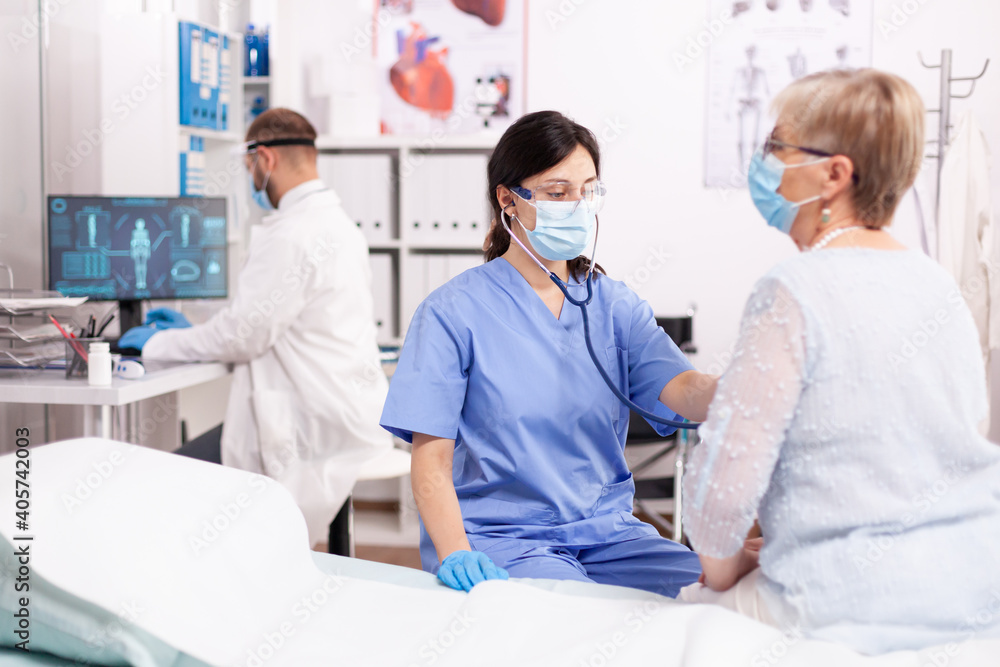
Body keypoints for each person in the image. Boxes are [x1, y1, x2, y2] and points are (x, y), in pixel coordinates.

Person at [678, 69, 1000, 654]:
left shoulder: (791, 291)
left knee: (683, 615)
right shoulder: (939, 286)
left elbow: (722, 494)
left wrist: (722, 579)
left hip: (839, 603)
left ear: (834, 174)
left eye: (777, 146)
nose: (763, 161)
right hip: (974, 588)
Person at [380, 111, 717, 595]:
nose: (577, 206)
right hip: (503, 538)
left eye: (587, 191)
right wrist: (455, 550)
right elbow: (431, 460)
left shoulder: (614, 304)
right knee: (577, 616)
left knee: (709, 594)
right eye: (558, 193)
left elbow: (684, 388)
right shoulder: (451, 312)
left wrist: (742, 391)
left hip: (609, 535)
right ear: (508, 199)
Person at [119, 108, 392, 544]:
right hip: (343, 408)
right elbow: (266, 322)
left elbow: (242, 337)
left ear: (265, 158)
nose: (251, 180)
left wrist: (157, 343)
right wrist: (191, 331)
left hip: (309, 423)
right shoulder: (336, 224)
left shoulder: (292, 233)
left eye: (249, 168)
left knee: (164, 484)